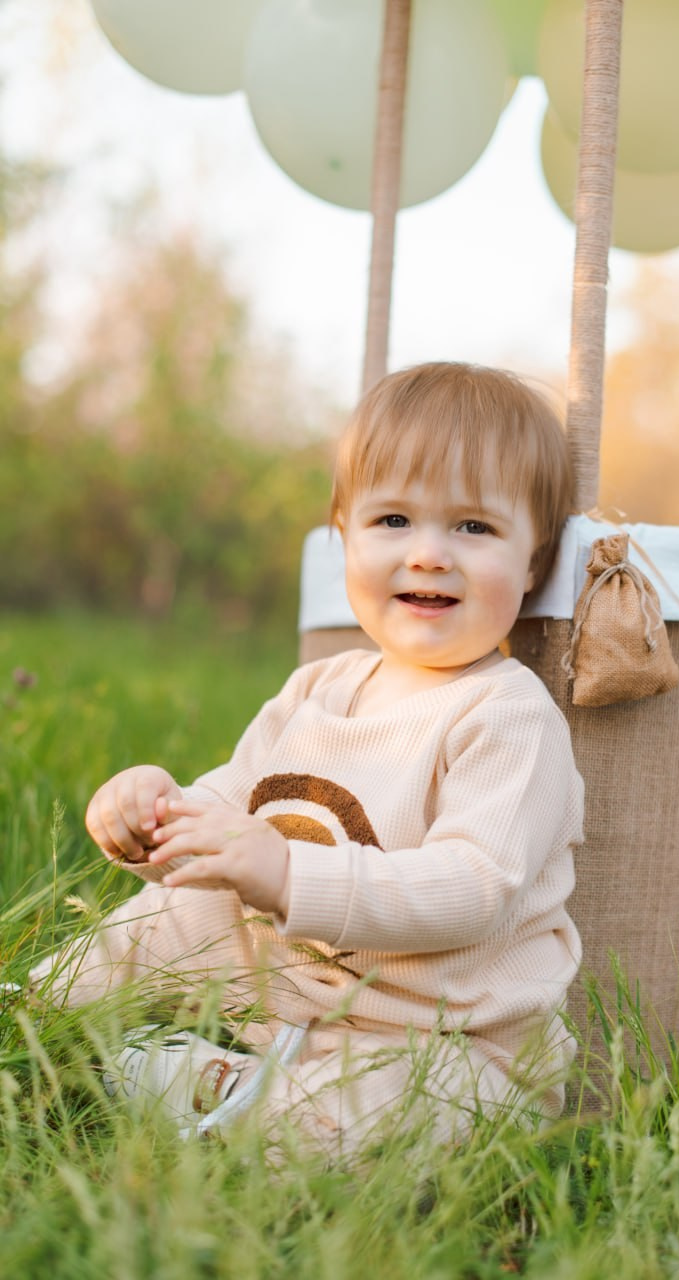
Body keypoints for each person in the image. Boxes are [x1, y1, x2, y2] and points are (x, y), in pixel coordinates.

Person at [31, 361, 584, 1163]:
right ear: (343, 537)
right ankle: (37, 1016)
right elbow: (228, 810)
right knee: (174, 916)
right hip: (296, 1009)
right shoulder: (318, 690)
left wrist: (287, 874)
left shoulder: (507, 715)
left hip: (450, 1044)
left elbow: (475, 889)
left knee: (367, 1118)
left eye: (474, 528)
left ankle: (219, 1095)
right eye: (393, 519)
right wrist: (154, 813)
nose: (428, 554)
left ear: (533, 563)